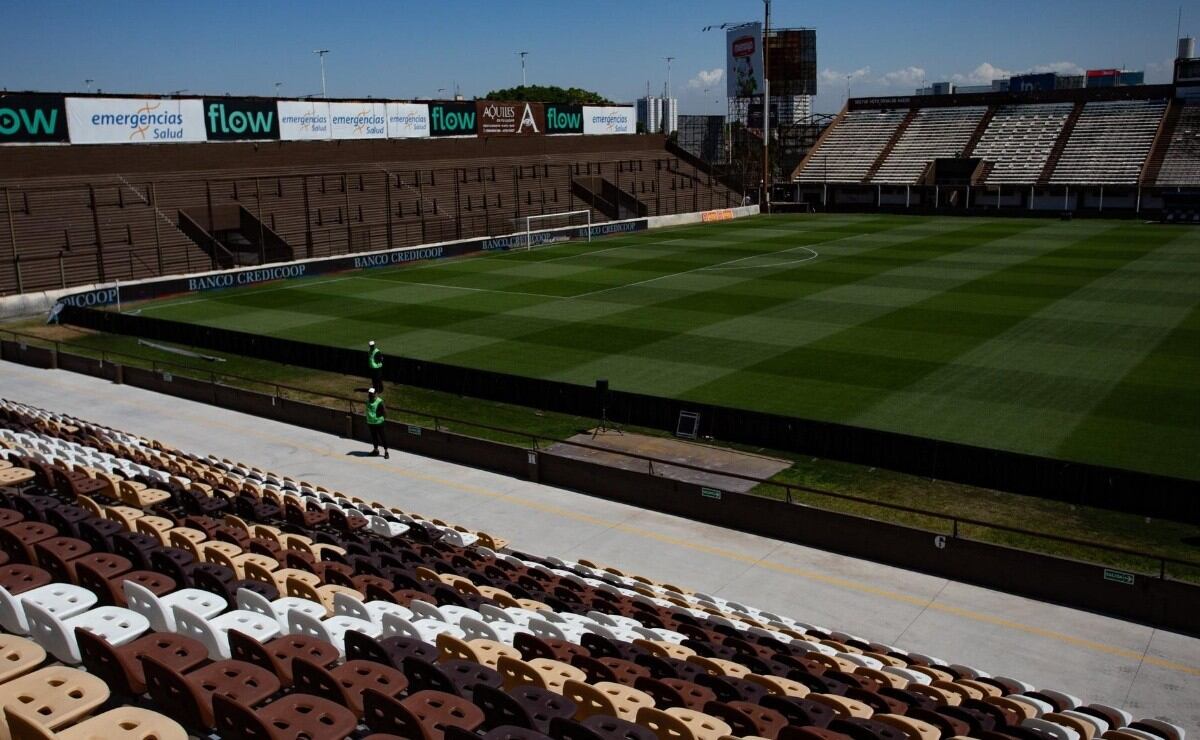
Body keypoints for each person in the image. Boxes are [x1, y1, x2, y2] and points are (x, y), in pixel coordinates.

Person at [365, 387, 389, 459]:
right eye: (369, 393)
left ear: (375, 394)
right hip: (370, 423)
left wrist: (382, 419)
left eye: (372, 393)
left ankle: (386, 452)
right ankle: (376, 450)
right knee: (374, 437)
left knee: (383, 437)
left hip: (379, 423)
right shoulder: (368, 401)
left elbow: (385, 412)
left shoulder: (379, 401)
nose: (370, 395)